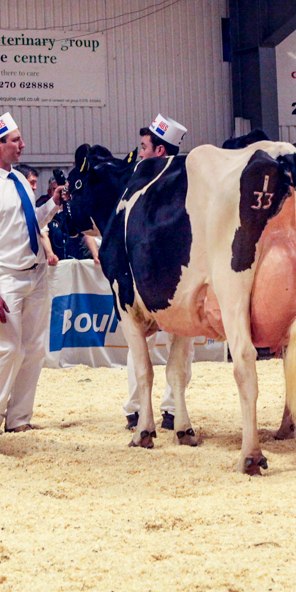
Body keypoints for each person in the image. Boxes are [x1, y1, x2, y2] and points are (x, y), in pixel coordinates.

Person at [0, 113, 66, 437]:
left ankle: (19, 417)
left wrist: (51, 204)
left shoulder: (19, 180)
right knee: (8, 348)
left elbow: (31, 222)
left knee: (34, 349)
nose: (22, 145)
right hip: (5, 277)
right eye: (15, 140)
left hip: (35, 275)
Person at [124, 113, 194, 431]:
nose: (139, 153)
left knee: (181, 342)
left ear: (160, 152)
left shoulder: (182, 185)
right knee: (142, 342)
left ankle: (169, 408)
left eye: (143, 146)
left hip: (175, 279)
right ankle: (138, 407)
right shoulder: (137, 182)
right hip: (145, 279)